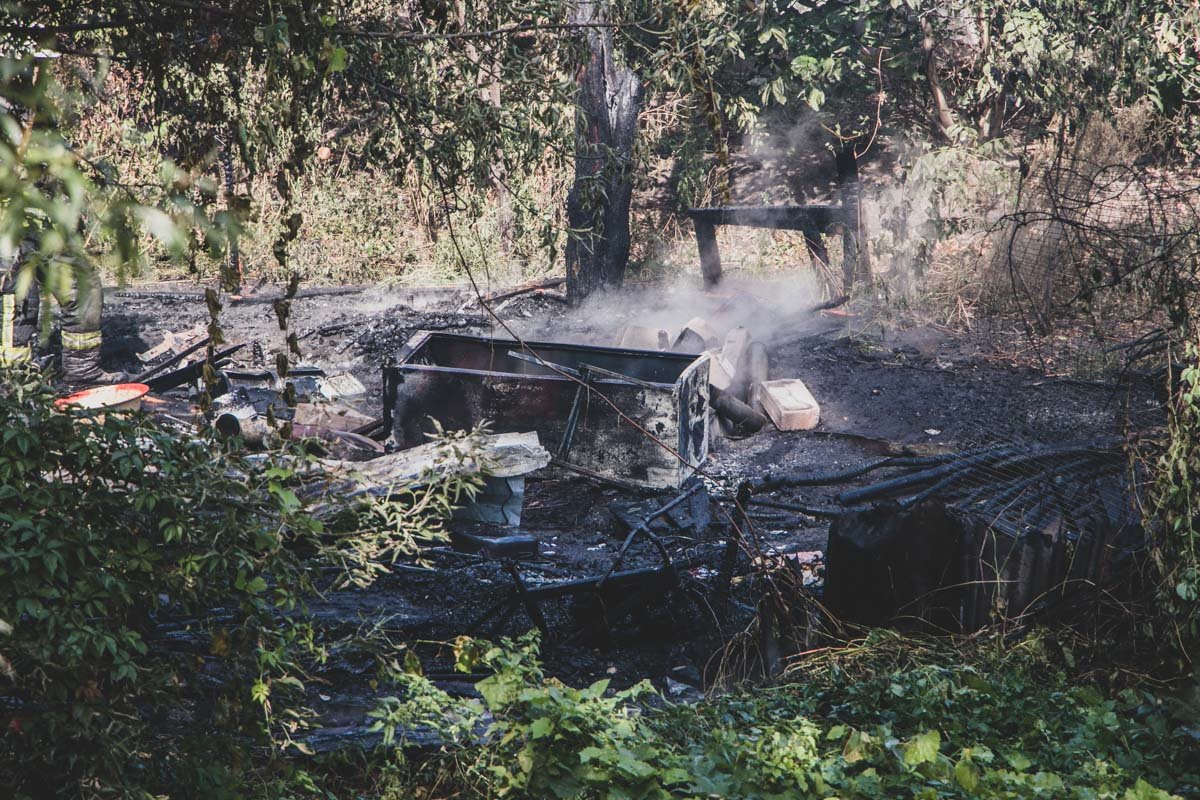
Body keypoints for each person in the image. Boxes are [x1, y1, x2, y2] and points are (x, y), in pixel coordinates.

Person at [0, 249, 127, 386]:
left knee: (82, 283)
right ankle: (14, 378)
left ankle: (81, 369)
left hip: (44, 233)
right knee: (18, 299)